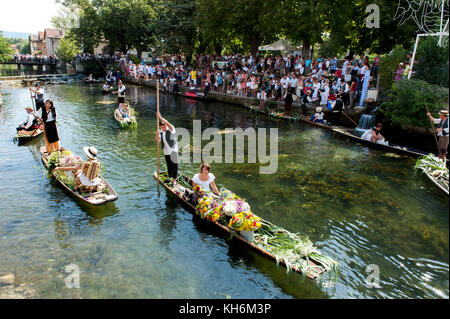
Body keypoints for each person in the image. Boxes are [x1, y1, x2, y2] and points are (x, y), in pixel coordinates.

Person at [155, 112, 179, 179]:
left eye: (164, 126)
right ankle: (170, 177)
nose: (163, 128)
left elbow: (168, 123)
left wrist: (160, 117)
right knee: (169, 165)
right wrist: (156, 135)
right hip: (166, 151)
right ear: (160, 127)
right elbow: (157, 141)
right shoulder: (161, 132)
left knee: (175, 165)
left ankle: (174, 179)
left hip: (173, 150)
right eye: (162, 127)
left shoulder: (171, 129)